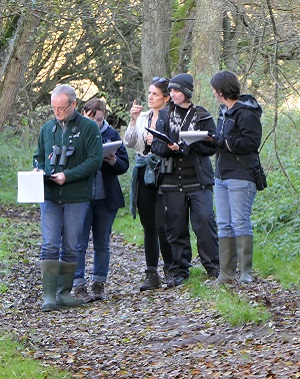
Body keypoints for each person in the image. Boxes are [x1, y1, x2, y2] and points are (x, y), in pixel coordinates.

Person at [33, 84, 103, 312]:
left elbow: (95, 160)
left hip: (76, 196)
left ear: (74, 104)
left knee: (71, 245)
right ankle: (49, 296)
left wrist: (68, 176)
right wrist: (37, 170)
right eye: (54, 108)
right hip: (50, 196)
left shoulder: (89, 128)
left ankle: (64, 292)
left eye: (62, 108)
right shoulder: (47, 129)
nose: (57, 112)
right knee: (49, 244)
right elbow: (39, 157)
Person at [151, 73, 219, 288]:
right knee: (176, 227)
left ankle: (214, 266)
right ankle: (180, 270)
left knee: (205, 222)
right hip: (172, 181)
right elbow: (156, 146)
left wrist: (190, 145)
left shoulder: (202, 114)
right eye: (171, 91)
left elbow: (213, 145)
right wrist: (171, 149)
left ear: (187, 92)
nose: (173, 94)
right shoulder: (163, 116)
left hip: (198, 179)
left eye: (177, 90)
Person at [209, 70, 263, 284]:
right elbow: (223, 141)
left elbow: (251, 143)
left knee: (240, 222)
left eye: (214, 89)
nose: (213, 92)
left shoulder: (246, 112)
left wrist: (223, 141)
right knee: (223, 223)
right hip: (221, 175)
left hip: (241, 174)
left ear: (221, 91)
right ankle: (226, 273)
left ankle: (246, 272)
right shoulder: (224, 112)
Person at [73, 98, 129, 302]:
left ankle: (99, 283)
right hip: (82, 196)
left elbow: (124, 165)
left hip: (106, 197)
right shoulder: (76, 131)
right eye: (93, 118)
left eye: (100, 119)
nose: (97, 122)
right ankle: (78, 283)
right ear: (85, 113)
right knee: (79, 242)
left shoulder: (111, 133)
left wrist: (113, 161)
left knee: (102, 242)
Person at [123, 77, 174, 291]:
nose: (151, 97)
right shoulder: (142, 117)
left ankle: (170, 268)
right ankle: (151, 272)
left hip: (164, 170)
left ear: (166, 98)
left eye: (155, 94)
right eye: (150, 93)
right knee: (149, 225)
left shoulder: (171, 118)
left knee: (163, 224)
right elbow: (130, 143)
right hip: (144, 170)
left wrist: (160, 143)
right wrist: (133, 120)